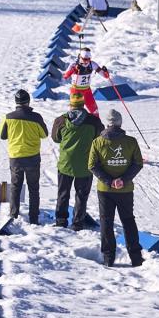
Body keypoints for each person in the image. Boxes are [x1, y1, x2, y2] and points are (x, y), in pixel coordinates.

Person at [87, 110, 145, 267]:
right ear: (120, 123)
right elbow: (138, 163)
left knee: (106, 222)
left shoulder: (97, 142)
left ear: (107, 123)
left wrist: (109, 181)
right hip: (125, 190)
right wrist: (123, 180)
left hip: (105, 190)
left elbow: (92, 165)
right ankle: (136, 257)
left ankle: (108, 257)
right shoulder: (131, 142)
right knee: (128, 221)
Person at [51, 93, 102, 230]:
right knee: (81, 195)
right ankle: (77, 223)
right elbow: (100, 138)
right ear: (83, 104)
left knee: (63, 193)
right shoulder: (93, 121)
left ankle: (61, 221)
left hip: (65, 164)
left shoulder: (61, 120)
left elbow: (56, 138)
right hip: (85, 165)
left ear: (71, 104)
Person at [0, 88, 48, 224]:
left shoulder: (8, 117)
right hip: (32, 157)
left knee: (15, 186)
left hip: (15, 157)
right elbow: (44, 135)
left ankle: (13, 215)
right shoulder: (36, 117)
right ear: (28, 102)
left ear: (16, 102)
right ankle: (34, 218)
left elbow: (3, 136)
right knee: (33, 188)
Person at [62, 47, 110, 114]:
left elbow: (106, 76)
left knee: (95, 111)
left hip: (87, 91)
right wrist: (74, 69)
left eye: (88, 59)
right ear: (80, 57)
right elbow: (65, 76)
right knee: (75, 113)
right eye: (84, 59)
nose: (86, 61)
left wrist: (105, 71)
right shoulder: (74, 64)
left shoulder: (92, 64)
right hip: (76, 91)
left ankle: (96, 124)